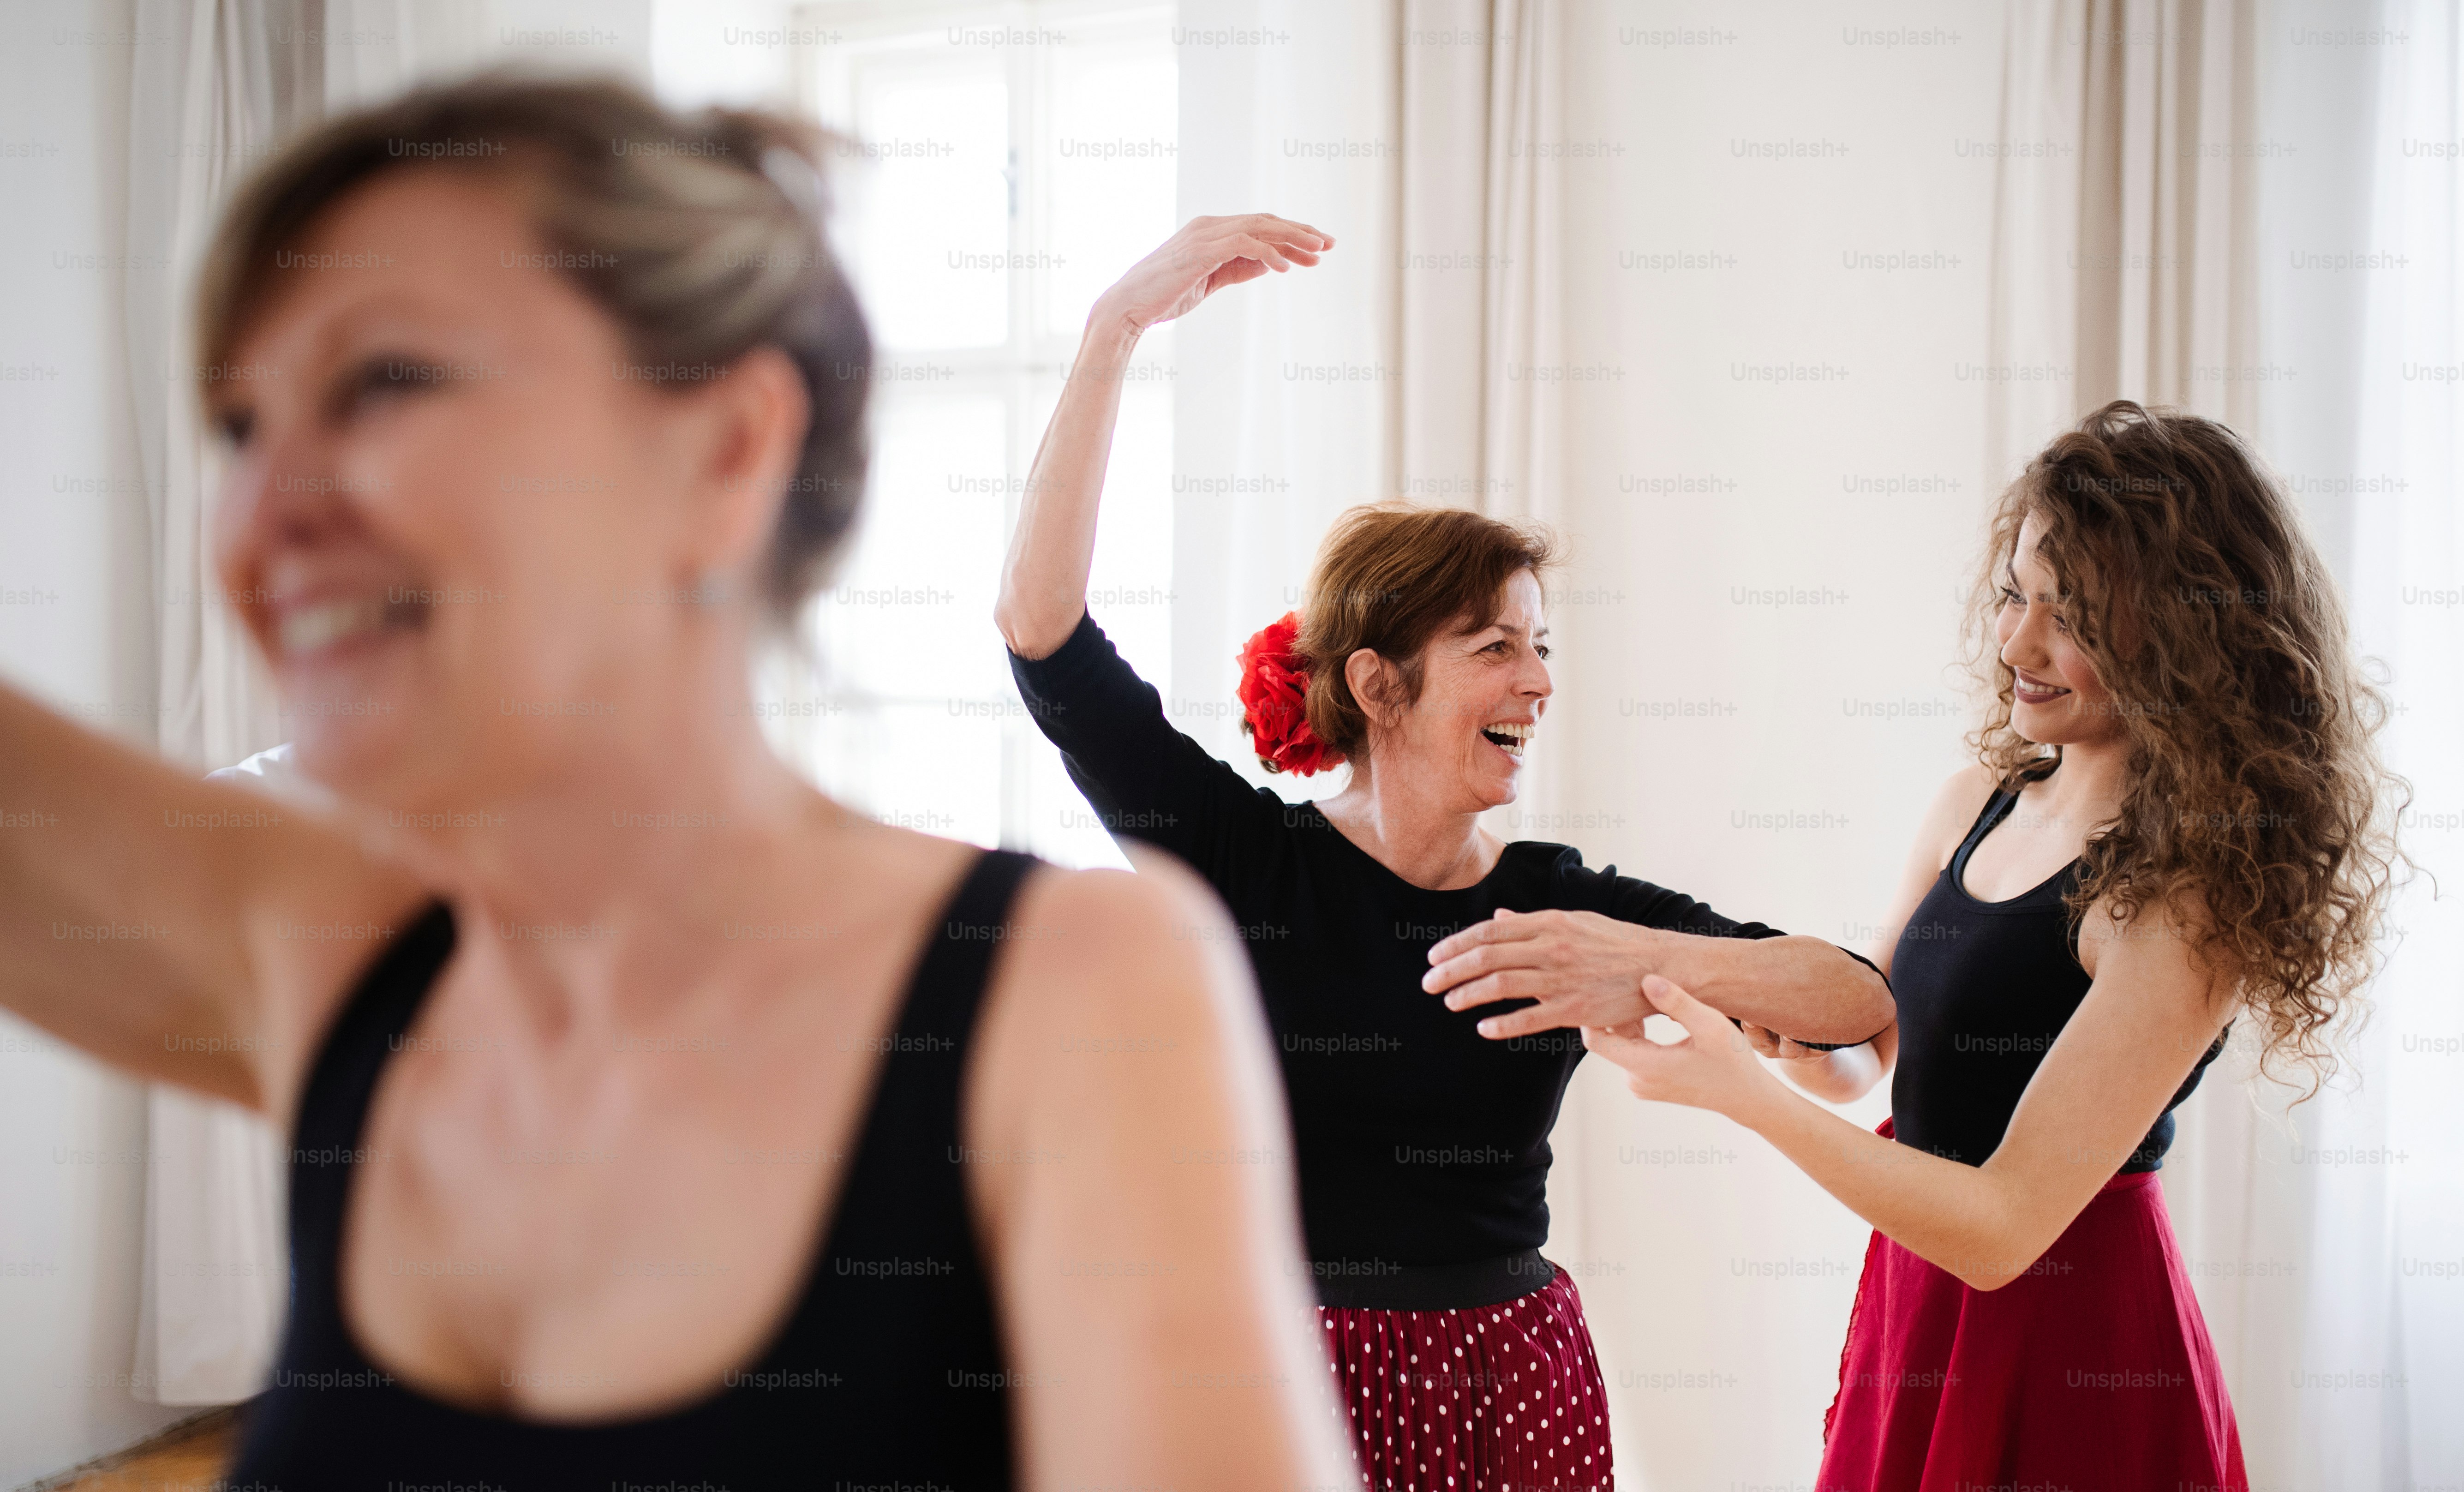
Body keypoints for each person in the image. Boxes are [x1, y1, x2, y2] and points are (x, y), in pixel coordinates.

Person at [0, 78, 1359, 1490]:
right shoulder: (338, 960)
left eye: (386, 382)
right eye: (238, 427)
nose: (262, 519)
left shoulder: (1066, 993)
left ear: (724, 448)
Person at [996, 215, 1896, 1492]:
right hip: (1278, 1377)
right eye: (1496, 646)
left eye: (1541, 647)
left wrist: (1625, 957)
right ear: (1377, 683)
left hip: (1510, 1381)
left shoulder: (1560, 908)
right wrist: (1114, 330)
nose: (1537, 681)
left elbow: (1853, 997)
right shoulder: (1248, 863)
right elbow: (1041, 632)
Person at [1483, 402, 2399, 1490]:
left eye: (2076, 616)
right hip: (1920, 1303)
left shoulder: (2181, 901)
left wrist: (1743, 1096)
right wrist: (1745, 1025)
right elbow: (1874, 1052)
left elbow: (2005, 1225)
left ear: (2188, 633)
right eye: (2017, 594)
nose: (2018, 643)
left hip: (2072, 1349)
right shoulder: (1981, 800)